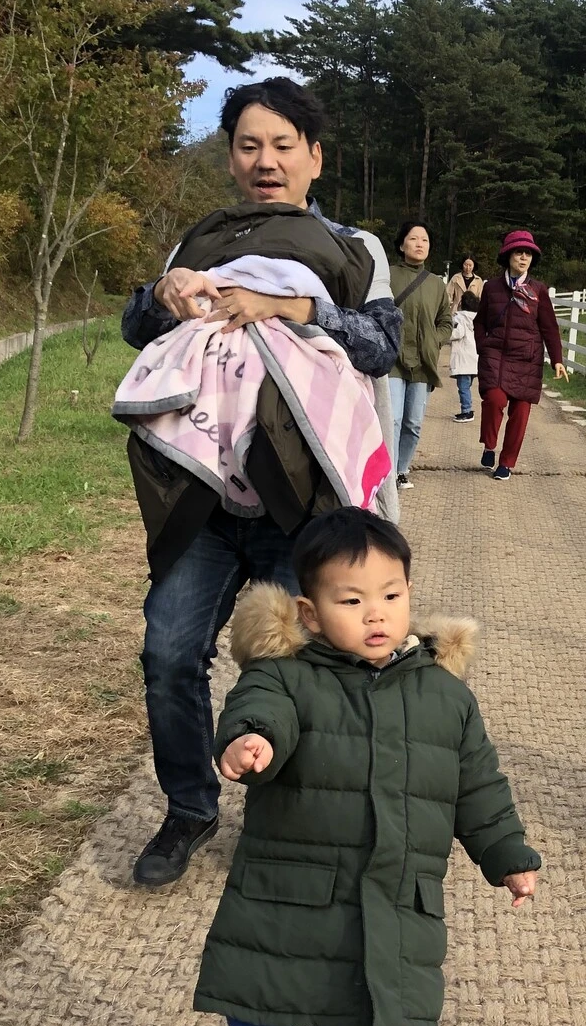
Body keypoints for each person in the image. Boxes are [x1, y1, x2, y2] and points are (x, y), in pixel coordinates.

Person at [193, 507, 542, 1026]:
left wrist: (507, 851)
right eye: (351, 601)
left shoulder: (445, 696)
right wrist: (250, 741)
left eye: (391, 593)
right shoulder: (286, 676)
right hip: (287, 883)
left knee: (379, 1013)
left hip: (394, 888)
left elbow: (478, 782)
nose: (376, 613)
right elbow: (259, 709)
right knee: (249, 992)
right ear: (311, 613)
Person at [121, 77, 401, 890]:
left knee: (295, 666)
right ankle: (189, 807)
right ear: (232, 159)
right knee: (168, 651)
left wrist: (290, 307)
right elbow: (136, 327)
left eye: (283, 145)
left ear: (315, 157)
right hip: (204, 497)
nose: (265, 161)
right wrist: (164, 294)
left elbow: (381, 345)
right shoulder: (202, 240)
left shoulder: (352, 247)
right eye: (249, 145)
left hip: (300, 504)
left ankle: (287, 819)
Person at [474, 229, 569, 481]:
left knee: (521, 413)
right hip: (495, 356)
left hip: (527, 360)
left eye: (528, 253)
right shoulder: (492, 288)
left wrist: (557, 360)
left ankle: (506, 463)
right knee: (494, 400)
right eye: (519, 252)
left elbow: (549, 327)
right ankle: (489, 445)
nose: (523, 257)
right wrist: (482, 346)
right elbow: (480, 321)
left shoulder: (538, 290)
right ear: (508, 256)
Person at [389, 220, 452, 489]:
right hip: (392, 360)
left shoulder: (436, 284)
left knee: (413, 422)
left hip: (423, 363)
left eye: (424, 240)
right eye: (413, 239)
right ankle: (389, 473)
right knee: (392, 419)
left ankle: (402, 469)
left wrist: (434, 341)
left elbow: (446, 321)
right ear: (402, 245)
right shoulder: (387, 275)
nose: (419, 244)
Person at [449, 288, 479, 422]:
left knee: (463, 387)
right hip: (474, 358)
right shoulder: (478, 318)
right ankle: (467, 409)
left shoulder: (459, 318)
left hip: (463, 359)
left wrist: (447, 332)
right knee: (467, 386)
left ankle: (466, 411)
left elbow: (457, 333)